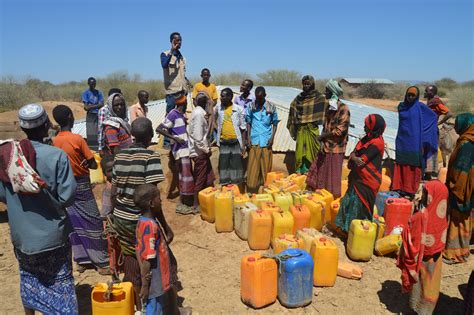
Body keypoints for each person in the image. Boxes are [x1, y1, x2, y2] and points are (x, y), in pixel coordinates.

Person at [0, 104, 78, 314]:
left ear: (24, 129)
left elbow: (3, 194)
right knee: (60, 283)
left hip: (23, 238)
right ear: (45, 126)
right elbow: (67, 196)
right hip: (53, 236)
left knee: (29, 279)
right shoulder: (57, 157)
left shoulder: (8, 157)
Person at [111, 117, 165, 309]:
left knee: (130, 259)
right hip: (140, 221)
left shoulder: (120, 156)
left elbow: (113, 190)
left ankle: (136, 306)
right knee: (153, 263)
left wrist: (112, 214)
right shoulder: (150, 157)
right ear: (150, 135)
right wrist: (165, 227)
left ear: (132, 135)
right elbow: (153, 198)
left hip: (121, 218)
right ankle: (153, 306)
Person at [52, 105, 110, 275]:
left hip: (63, 187)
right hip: (81, 185)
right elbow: (92, 164)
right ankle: (102, 261)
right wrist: (86, 162)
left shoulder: (55, 141)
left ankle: (82, 260)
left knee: (73, 221)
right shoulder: (77, 139)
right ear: (70, 116)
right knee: (94, 221)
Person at [397, 180, 448, 314]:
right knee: (430, 285)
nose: (422, 195)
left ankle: (417, 308)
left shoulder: (421, 217)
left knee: (420, 283)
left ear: (432, 197)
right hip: (436, 259)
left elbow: (409, 235)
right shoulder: (442, 217)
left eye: (425, 193)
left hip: (422, 259)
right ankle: (428, 309)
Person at [335, 114, 386, 234]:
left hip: (367, 180)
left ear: (373, 127)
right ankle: (346, 230)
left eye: (366, 125)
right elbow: (354, 154)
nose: (364, 127)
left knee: (360, 208)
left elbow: (360, 161)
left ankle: (357, 234)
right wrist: (353, 157)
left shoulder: (377, 143)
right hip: (358, 178)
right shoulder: (366, 139)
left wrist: (354, 157)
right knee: (349, 202)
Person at [134, 184, 180, 315]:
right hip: (154, 275)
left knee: (155, 305)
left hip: (151, 275)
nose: (161, 201)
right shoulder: (151, 227)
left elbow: (138, 250)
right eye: (158, 198)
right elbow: (148, 258)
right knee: (154, 307)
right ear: (151, 203)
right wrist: (145, 283)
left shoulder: (141, 222)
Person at [391, 86, 438, 198]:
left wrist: (424, 133)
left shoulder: (420, 107)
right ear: (406, 95)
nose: (411, 97)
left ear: (417, 96)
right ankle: (399, 187)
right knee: (401, 161)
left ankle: (410, 189)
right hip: (402, 139)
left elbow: (433, 117)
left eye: (413, 95)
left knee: (413, 163)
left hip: (415, 140)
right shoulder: (401, 107)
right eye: (409, 95)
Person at [307, 79, 350, 198]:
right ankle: (320, 197)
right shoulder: (329, 107)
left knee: (332, 178)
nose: (324, 92)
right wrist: (322, 140)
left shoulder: (343, 109)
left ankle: (331, 200)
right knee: (320, 173)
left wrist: (323, 136)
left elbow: (340, 131)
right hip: (326, 146)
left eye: (327, 90)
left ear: (333, 92)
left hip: (336, 148)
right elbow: (326, 126)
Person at [156, 95, 196, 214]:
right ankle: (181, 205)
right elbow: (159, 129)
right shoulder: (173, 114)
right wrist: (174, 138)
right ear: (183, 104)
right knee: (185, 176)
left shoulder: (181, 115)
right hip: (180, 150)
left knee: (185, 176)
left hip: (185, 149)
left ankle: (184, 202)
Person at [442, 113, 473, 264]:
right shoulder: (469, 141)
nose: (456, 128)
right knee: (465, 219)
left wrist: (453, 185)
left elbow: (461, 170)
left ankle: (456, 254)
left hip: (462, 188)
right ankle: (463, 251)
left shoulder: (467, 144)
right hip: (469, 187)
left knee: (458, 219)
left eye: (458, 125)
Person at [287, 75, 326, 174]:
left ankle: (312, 174)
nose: (306, 85)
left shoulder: (319, 97)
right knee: (300, 152)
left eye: (308, 83)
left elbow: (327, 106)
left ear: (312, 84)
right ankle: (300, 172)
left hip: (312, 129)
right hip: (301, 129)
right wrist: (295, 119)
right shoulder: (299, 98)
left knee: (313, 152)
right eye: (304, 84)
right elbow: (293, 106)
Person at [245, 86, 279, 193]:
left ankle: (266, 192)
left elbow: (275, 123)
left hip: (266, 141)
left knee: (266, 168)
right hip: (254, 141)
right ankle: (252, 192)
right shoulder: (251, 106)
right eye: (257, 98)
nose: (258, 100)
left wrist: (272, 138)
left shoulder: (271, 107)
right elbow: (248, 122)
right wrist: (248, 138)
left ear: (265, 95)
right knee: (252, 168)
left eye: (260, 98)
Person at [215, 87, 247, 188]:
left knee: (236, 164)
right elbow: (213, 119)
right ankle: (225, 185)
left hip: (236, 142)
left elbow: (243, 128)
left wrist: (243, 144)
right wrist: (217, 132)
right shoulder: (218, 108)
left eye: (223, 96)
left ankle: (235, 186)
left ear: (230, 97)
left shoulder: (238, 109)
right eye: (220, 96)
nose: (221, 98)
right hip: (223, 141)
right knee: (224, 164)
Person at [188, 92, 215, 207]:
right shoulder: (199, 114)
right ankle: (196, 205)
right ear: (206, 103)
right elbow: (198, 138)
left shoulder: (200, 113)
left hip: (201, 151)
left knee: (209, 177)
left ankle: (207, 202)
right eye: (209, 102)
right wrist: (206, 150)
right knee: (201, 179)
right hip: (200, 153)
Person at [100, 155, 122, 279]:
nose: (113, 173)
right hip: (112, 224)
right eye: (109, 171)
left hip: (119, 221)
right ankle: (114, 274)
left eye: (115, 169)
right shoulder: (108, 190)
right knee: (113, 250)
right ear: (104, 173)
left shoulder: (119, 184)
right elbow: (105, 212)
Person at [424, 85, 456, 169]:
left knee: (431, 148)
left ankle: (429, 171)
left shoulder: (436, 102)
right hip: (426, 127)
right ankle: (425, 170)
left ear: (433, 92)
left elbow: (449, 114)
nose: (426, 93)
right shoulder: (430, 101)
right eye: (425, 91)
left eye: (427, 91)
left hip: (432, 128)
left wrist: (438, 123)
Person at [161, 32, 190, 114]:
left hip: (182, 92)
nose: (179, 42)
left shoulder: (182, 58)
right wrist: (172, 50)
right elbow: (164, 65)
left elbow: (181, 73)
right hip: (172, 94)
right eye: (177, 40)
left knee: (181, 118)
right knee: (170, 118)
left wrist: (186, 81)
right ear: (172, 41)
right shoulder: (165, 54)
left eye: (180, 40)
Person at [82, 77, 104, 151]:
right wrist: (97, 105)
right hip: (90, 115)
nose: (93, 85)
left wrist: (91, 106)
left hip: (99, 114)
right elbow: (86, 108)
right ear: (88, 84)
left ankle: (100, 149)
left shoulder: (99, 93)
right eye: (91, 84)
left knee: (100, 132)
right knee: (91, 133)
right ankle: (92, 150)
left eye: (94, 84)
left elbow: (102, 104)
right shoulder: (85, 93)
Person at [98, 88, 122, 154]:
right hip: (109, 141)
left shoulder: (122, 108)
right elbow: (101, 128)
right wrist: (100, 147)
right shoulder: (104, 110)